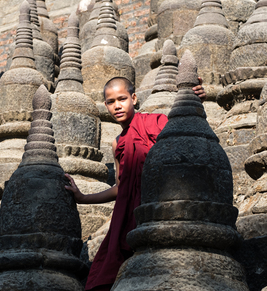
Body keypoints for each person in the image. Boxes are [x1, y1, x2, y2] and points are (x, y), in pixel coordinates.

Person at [65, 77, 206, 291]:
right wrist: (83, 198)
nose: (117, 106)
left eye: (122, 99)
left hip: (159, 209)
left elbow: (182, 141)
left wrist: (195, 101)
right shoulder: (116, 144)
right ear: (106, 106)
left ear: (134, 98)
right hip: (129, 216)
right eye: (111, 101)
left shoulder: (156, 122)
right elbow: (122, 187)